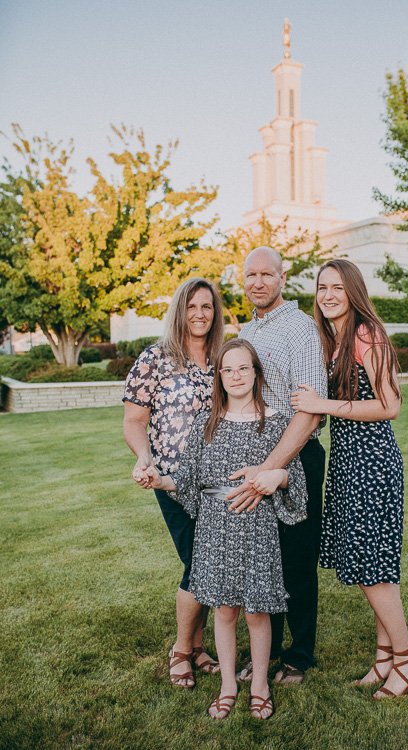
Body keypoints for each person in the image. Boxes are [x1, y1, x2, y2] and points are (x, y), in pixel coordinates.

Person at [142, 339, 308, 719]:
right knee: (225, 611)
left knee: (256, 613)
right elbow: (186, 481)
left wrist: (277, 475)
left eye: (243, 368)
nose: (235, 375)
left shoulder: (275, 422)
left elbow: (294, 482)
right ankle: (229, 683)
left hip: (257, 526)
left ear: (255, 373)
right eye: (227, 369)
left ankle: (261, 684)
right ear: (219, 376)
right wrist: (158, 478)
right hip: (215, 529)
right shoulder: (206, 423)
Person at [290, 259, 408, 699]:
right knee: (374, 563)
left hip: (373, 463)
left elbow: (390, 405)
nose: (328, 295)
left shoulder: (367, 334)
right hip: (348, 464)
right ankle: (383, 658)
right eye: (321, 287)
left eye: (337, 287)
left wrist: (324, 405)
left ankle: (406, 658)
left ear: (354, 292)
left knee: (372, 568)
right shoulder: (333, 340)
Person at [228, 246, 328, 684]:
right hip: (255, 454)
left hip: (295, 453)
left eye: (267, 274)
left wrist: (271, 465)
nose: (258, 282)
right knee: (262, 559)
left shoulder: (301, 329)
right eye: (251, 275)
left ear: (282, 279)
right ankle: (264, 653)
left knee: (296, 558)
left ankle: (299, 655)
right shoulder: (248, 329)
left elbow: (310, 413)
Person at [123, 277, 224, 689]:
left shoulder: (224, 358)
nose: (200, 314)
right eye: (192, 306)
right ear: (179, 310)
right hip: (171, 478)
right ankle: (182, 650)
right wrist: (144, 457)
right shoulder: (156, 358)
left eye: (207, 306)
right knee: (199, 562)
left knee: (205, 561)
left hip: (216, 479)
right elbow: (133, 421)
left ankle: (198, 648)